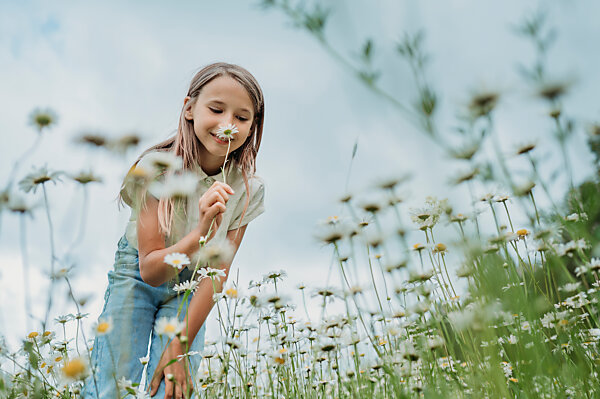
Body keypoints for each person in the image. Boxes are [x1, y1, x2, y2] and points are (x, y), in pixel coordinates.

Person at [82, 62, 266, 399]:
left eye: (241, 118)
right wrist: (201, 231)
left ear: (253, 126)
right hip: (138, 274)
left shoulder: (248, 187)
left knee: (173, 388)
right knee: (111, 384)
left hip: (192, 286)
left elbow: (216, 273)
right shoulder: (156, 169)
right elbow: (150, 270)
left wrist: (180, 345)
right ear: (189, 109)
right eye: (216, 109)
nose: (227, 125)